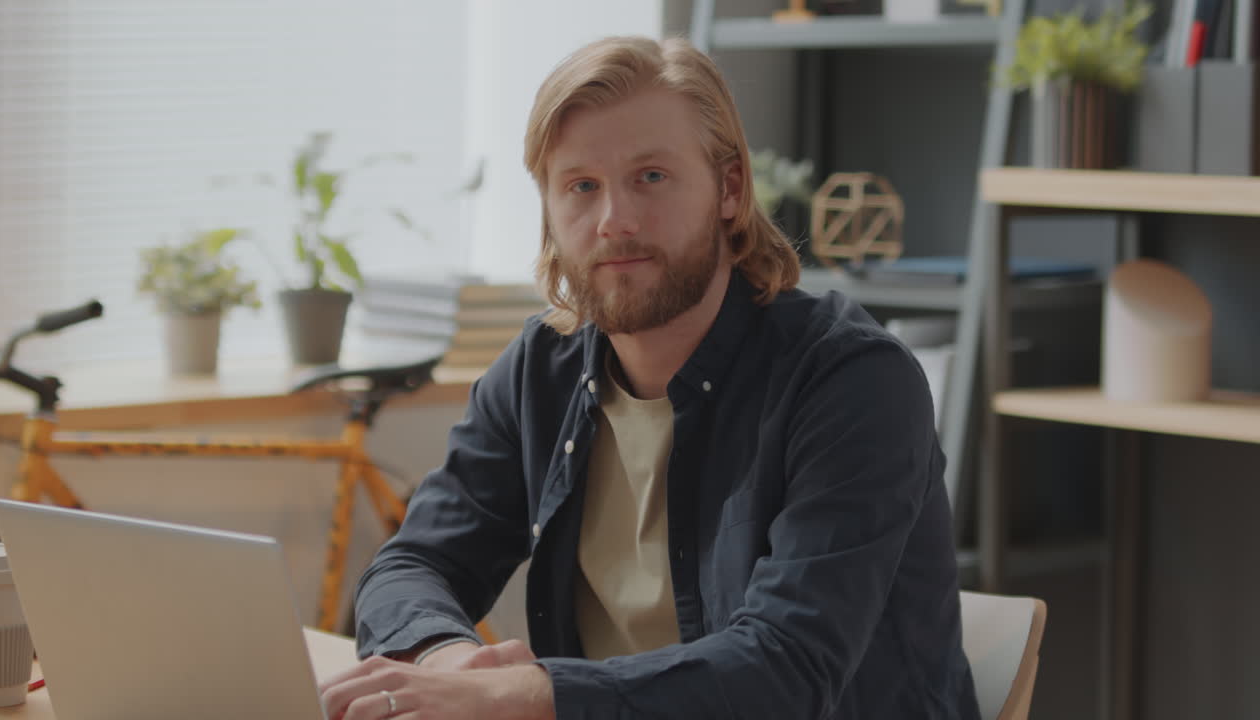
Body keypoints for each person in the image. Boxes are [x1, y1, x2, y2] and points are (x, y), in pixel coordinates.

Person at [319, 35, 978, 720]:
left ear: (729, 189)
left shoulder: (853, 383)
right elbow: (411, 567)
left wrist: (523, 694)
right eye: (581, 187)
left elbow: (787, 670)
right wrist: (453, 666)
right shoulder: (541, 370)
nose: (615, 221)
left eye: (651, 177)